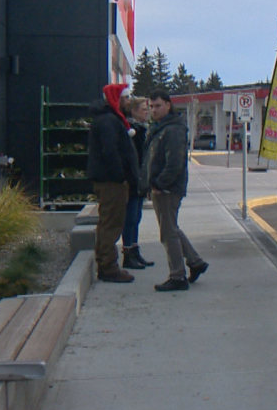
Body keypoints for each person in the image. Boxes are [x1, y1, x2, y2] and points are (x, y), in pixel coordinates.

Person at [143, 90, 209, 291]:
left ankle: (177, 276)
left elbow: (175, 162)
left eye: (158, 106)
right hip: (163, 187)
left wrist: (160, 184)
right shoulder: (161, 127)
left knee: (167, 232)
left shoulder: (172, 130)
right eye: (151, 106)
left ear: (168, 105)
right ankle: (195, 261)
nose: (154, 110)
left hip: (167, 189)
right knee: (171, 227)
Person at [86, 83, 139, 283]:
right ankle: (108, 267)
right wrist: (120, 176)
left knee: (108, 222)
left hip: (110, 180)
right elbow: (110, 152)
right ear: (117, 98)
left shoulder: (107, 119)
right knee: (112, 223)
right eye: (125, 98)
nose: (128, 101)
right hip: (111, 181)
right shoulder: (109, 120)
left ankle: (106, 263)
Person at [120, 96, 156, 270]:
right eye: (144, 109)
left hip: (140, 179)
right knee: (131, 217)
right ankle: (128, 253)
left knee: (137, 217)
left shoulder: (143, 129)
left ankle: (134, 249)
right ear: (134, 111)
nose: (147, 111)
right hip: (133, 179)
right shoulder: (131, 131)